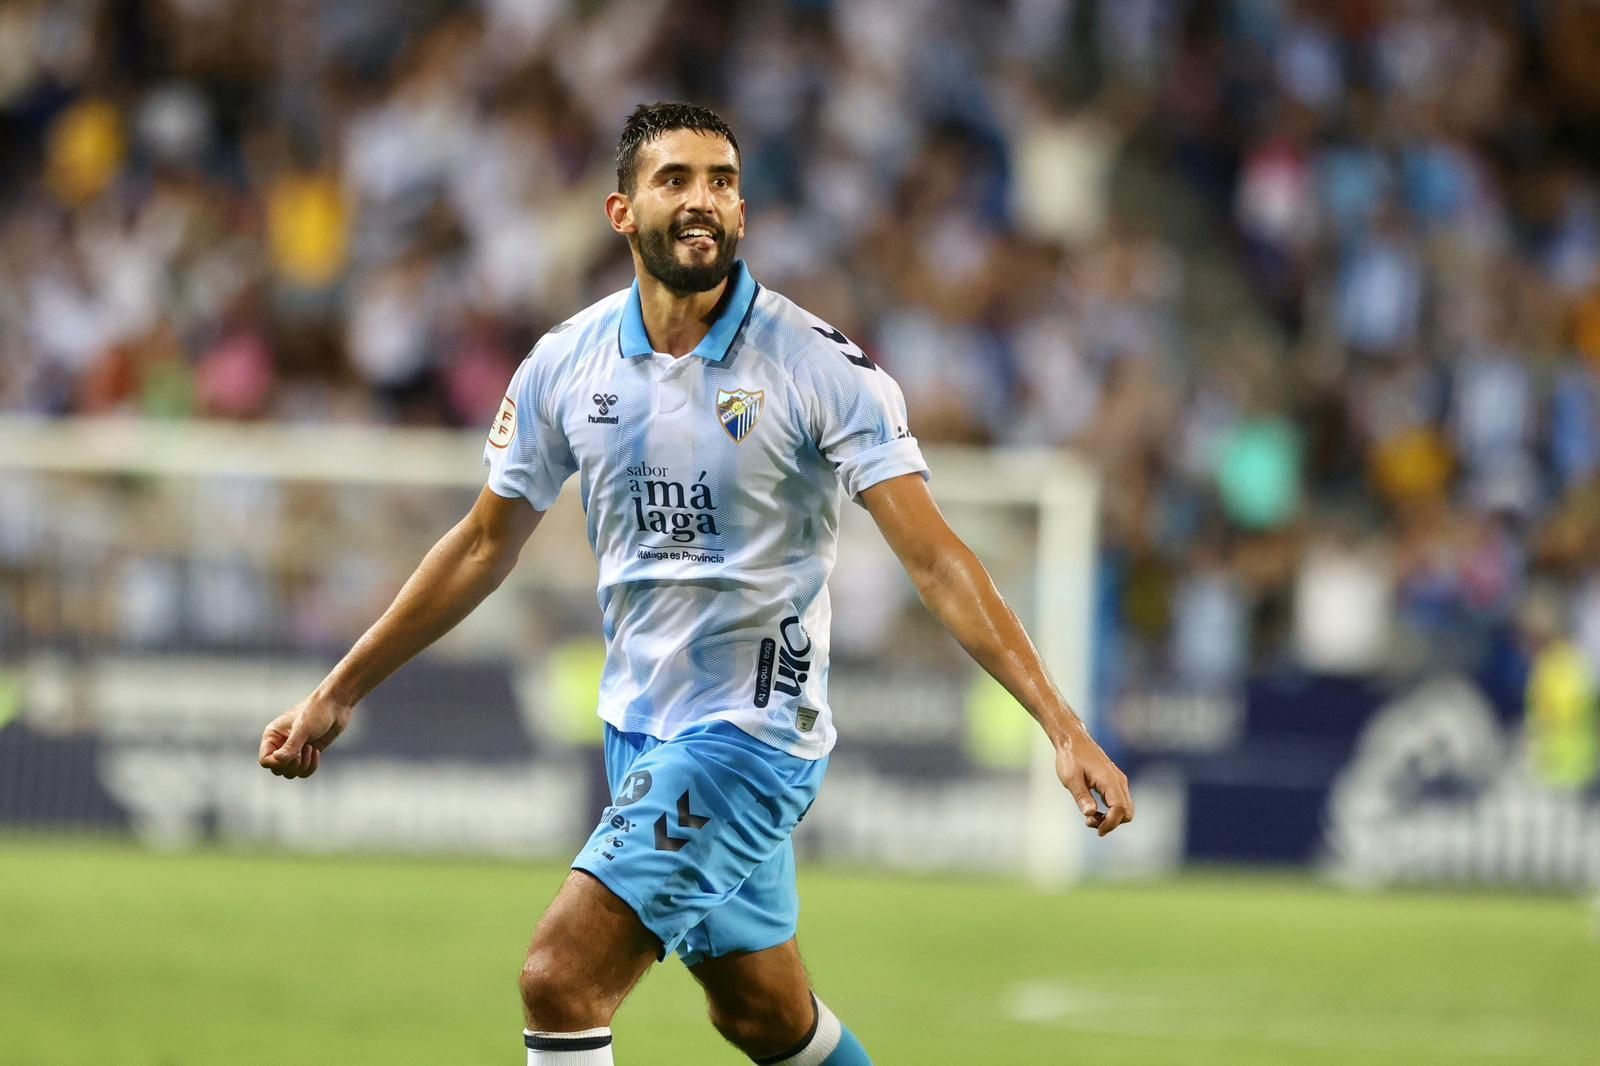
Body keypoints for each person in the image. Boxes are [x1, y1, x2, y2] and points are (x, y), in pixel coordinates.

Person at [258, 101, 1134, 1066]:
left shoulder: (818, 368)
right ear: (621, 212)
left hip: (752, 735)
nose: (702, 200)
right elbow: (480, 546)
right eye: (674, 180)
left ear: (744, 213)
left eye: (721, 181)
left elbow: (934, 555)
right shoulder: (564, 364)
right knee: (761, 1016)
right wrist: (338, 691)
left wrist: (1062, 725)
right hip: (640, 725)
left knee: (560, 978)